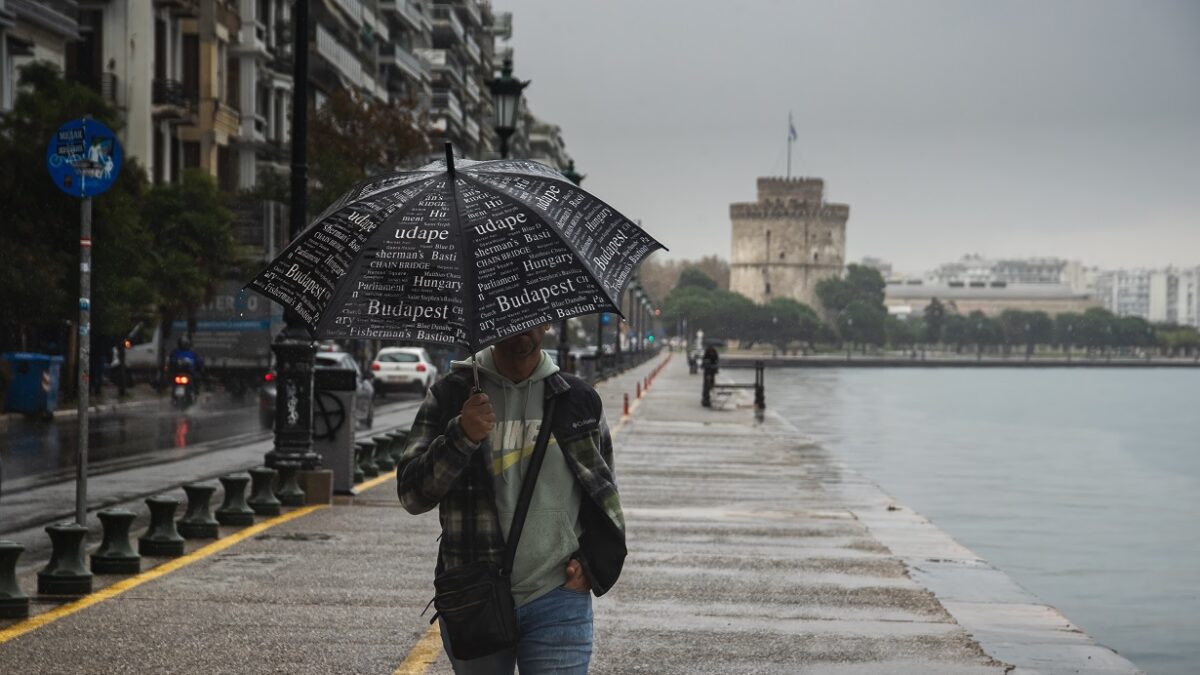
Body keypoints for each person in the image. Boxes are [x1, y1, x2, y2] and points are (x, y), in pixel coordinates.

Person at [396, 325, 626, 674]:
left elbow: (604, 494)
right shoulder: (450, 396)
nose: (523, 326)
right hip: (474, 595)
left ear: (548, 322)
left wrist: (591, 565)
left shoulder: (577, 400)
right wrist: (461, 436)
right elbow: (412, 495)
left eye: (534, 315)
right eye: (512, 317)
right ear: (489, 321)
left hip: (558, 595)